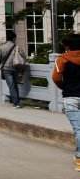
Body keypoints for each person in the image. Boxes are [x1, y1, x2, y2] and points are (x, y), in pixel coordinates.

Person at [52, 33, 80, 172]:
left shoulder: (62, 59)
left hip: (70, 97)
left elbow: (56, 78)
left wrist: (64, 87)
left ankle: (79, 159)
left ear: (67, 46)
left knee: (79, 129)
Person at [0, 31, 26, 108]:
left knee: (11, 85)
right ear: (14, 38)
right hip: (15, 68)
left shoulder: (2, 47)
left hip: (6, 69)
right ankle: (16, 101)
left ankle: (16, 102)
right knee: (15, 85)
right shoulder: (17, 47)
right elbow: (24, 56)